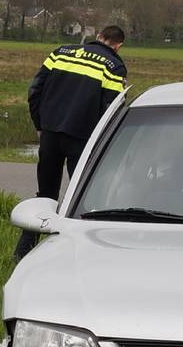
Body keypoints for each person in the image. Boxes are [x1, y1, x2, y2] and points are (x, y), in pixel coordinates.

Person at [15, 25, 127, 261]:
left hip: (50, 134)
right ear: (118, 45)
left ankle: (23, 253)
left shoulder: (60, 53)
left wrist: (40, 124)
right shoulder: (114, 66)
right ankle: (75, 255)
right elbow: (113, 109)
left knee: (45, 196)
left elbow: (35, 90)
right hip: (82, 140)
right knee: (81, 200)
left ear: (98, 37)